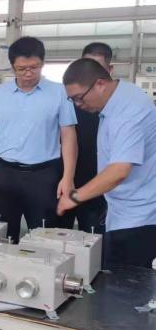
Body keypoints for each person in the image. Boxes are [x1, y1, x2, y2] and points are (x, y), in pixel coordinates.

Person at [0, 36, 77, 242]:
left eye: (34, 67)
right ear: (12, 66)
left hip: (44, 176)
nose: (28, 73)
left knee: (44, 236)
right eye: (21, 69)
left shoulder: (59, 92)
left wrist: (68, 177)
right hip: (6, 174)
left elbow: (68, 136)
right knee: (3, 234)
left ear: (42, 63)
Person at [58, 58, 156, 268]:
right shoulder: (122, 95)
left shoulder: (127, 113)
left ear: (100, 84)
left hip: (139, 218)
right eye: (72, 100)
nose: (78, 105)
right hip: (125, 210)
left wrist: (74, 197)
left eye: (79, 97)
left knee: (128, 279)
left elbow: (119, 170)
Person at [57, 43, 111, 234]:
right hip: (64, 183)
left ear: (109, 71)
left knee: (94, 240)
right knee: (57, 238)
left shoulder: (116, 108)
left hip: (98, 187)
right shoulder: (69, 101)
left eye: (97, 70)